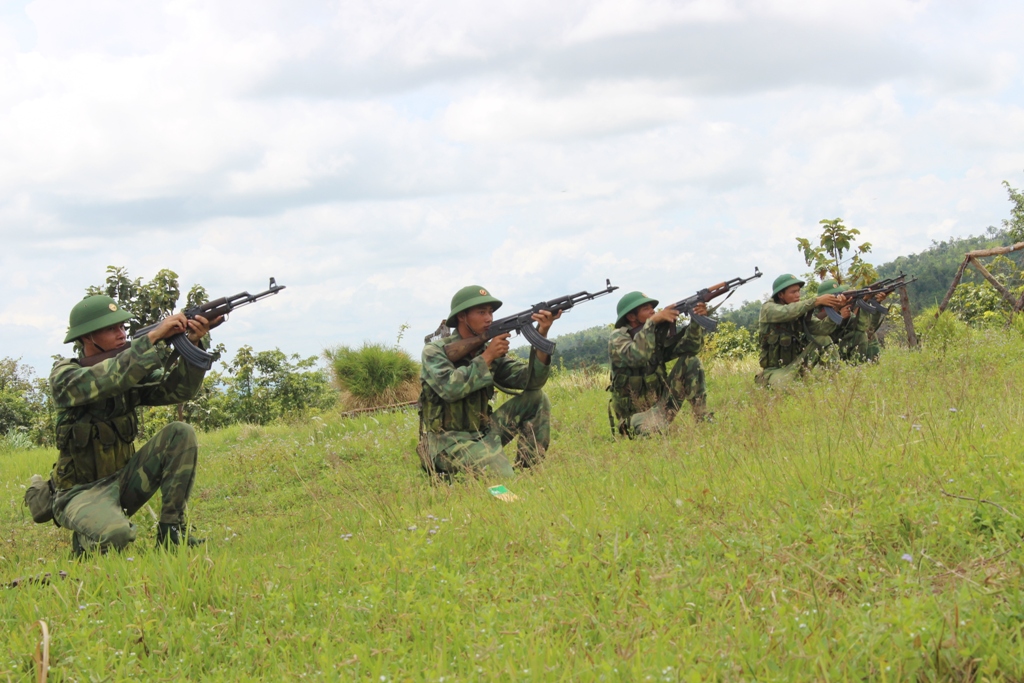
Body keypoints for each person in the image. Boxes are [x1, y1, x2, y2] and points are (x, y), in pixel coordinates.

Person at [46, 294, 219, 555]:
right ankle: (86, 539)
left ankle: (172, 532)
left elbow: (176, 391)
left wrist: (192, 343)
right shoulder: (65, 376)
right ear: (86, 337)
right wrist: (151, 339)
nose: (121, 334)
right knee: (117, 535)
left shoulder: (131, 370)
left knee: (180, 433)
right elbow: (107, 380)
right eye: (111, 328)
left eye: (122, 328)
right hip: (79, 492)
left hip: (123, 480)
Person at [418, 285, 558, 478]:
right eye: (481, 312)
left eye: (490, 312)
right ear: (462, 316)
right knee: (503, 477)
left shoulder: (486, 350)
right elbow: (450, 388)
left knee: (536, 398)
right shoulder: (435, 351)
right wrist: (487, 357)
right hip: (447, 443)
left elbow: (531, 382)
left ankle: (529, 473)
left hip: (484, 433)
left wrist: (541, 334)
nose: (489, 318)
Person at [608, 291, 709, 436]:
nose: (653, 311)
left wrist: (696, 320)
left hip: (661, 408)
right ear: (631, 316)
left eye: (652, 308)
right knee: (652, 433)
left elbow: (690, 348)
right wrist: (652, 323)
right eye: (646, 309)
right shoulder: (618, 337)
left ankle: (703, 418)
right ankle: (648, 428)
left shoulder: (653, 336)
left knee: (691, 361)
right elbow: (636, 357)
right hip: (634, 418)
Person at [755, 274, 845, 387]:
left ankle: (834, 382)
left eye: (798, 291)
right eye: (793, 292)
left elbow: (822, 329)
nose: (798, 295)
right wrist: (815, 301)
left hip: (796, 364)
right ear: (781, 295)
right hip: (774, 369)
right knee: (786, 388)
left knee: (823, 339)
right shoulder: (768, 308)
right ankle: (764, 379)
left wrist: (836, 310)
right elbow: (787, 312)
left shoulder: (800, 310)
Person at [815, 280, 886, 363]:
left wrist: (867, 301)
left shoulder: (844, 307)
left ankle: (865, 364)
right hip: (827, 349)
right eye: (835, 296)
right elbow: (821, 332)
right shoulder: (816, 313)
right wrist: (840, 316)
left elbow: (865, 327)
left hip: (843, 344)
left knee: (864, 334)